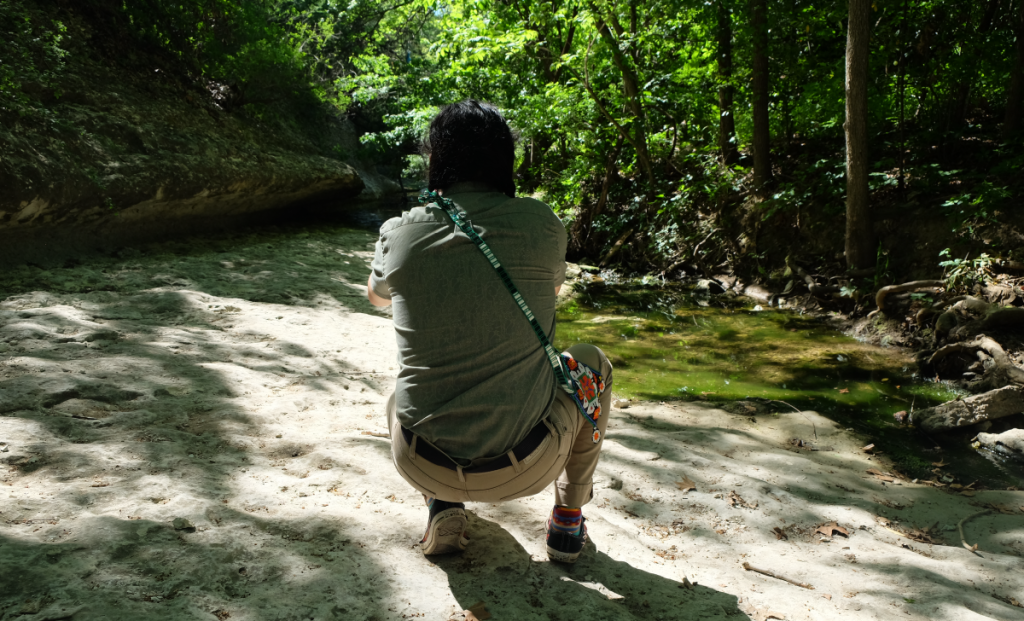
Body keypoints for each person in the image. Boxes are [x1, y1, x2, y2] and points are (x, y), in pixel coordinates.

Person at [366, 99, 612, 563]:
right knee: (592, 361)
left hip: (421, 461)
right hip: (528, 466)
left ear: (436, 160)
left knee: (400, 395)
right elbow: (552, 289)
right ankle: (568, 518)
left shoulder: (399, 232)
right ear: (505, 160)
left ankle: (442, 502)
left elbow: (376, 296)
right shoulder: (542, 224)